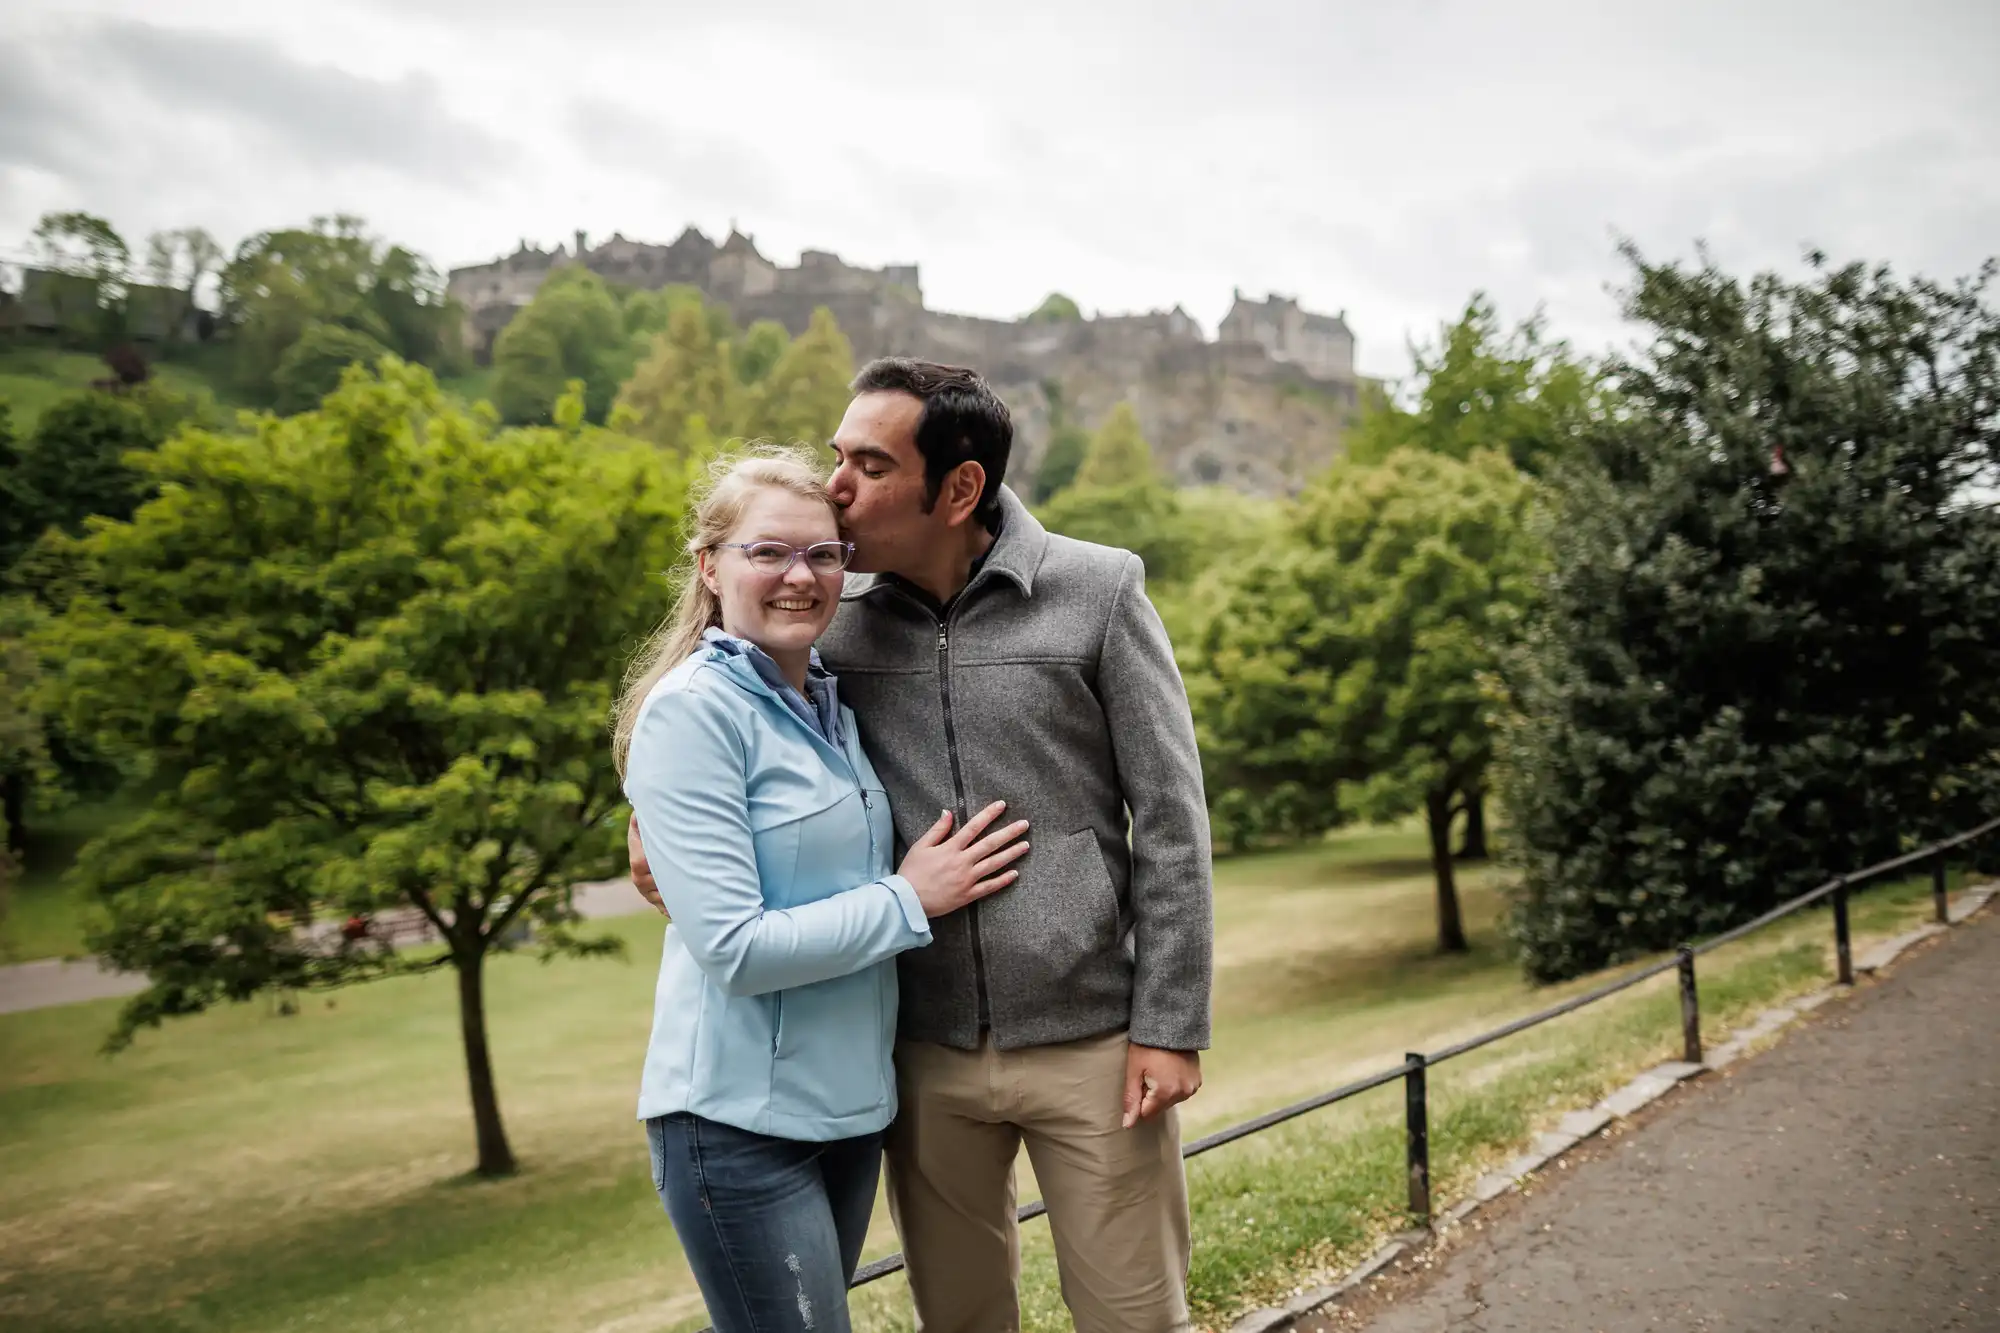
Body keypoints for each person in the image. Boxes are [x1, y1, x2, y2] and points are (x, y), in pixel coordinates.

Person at [631, 361, 1215, 1333]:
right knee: (960, 1320)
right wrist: (642, 806)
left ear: (957, 488)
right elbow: (715, 692)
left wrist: (1170, 1017)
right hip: (916, 1053)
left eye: (867, 462)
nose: (837, 489)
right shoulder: (828, 611)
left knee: (1135, 1318)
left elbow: (1169, 818)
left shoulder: (1098, 591)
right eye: (836, 458)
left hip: (1094, 1041)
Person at [613, 446, 1033, 1333]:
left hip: (844, 1114)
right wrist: (911, 896)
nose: (799, 575)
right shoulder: (694, 710)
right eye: (768, 552)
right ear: (710, 565)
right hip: (735, 1124)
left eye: (824, 553)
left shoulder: (827, 706)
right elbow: (736, 948)